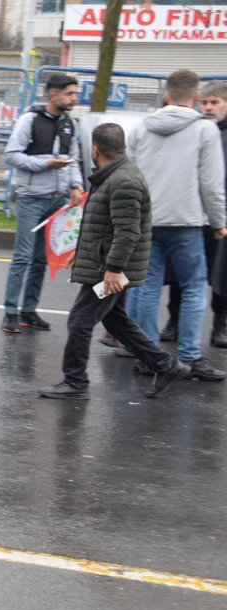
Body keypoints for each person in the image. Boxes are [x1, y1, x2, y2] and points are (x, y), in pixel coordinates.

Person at [38, 124, 192, 399]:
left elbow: (127, 231)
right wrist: (82, 250)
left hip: (107, 269)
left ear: (95, 150)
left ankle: (75, 382)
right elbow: (105, 225)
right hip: (105, 263)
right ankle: (166, 366)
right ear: (123, 147)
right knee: (116, 320)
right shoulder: (114, 177)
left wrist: (113, 270)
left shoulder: (123, 181)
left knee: (79, 322)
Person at [126, 68, 227, 381]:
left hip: (147, 221)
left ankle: (149, 355)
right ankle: (190, 357)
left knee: (146, 287)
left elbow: (128, 175)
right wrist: (219, 221)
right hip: (186, 221)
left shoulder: (141, 128)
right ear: (195, 97)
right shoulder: (205, 130)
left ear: (166, 94)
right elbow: (210, 182)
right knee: (194, 286)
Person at [1, 73, 85, 334]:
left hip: (58, 201)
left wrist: (76, 186)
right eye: (69, 94)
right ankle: (10, 313)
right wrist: (45, 164)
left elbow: (74, 160)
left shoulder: (71, 123)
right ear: (53, 95)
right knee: (23, 256)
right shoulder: (30, 120)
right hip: (31, 199)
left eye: (75, 93)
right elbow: (12, 155)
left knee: (41, 260)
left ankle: (29, 311)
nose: (74, 98)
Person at [204, 81, 227, 348]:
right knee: (181, 274)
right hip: (195, 213)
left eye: (214, 102)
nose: (208, 108)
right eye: (205, 103)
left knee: (221, 273)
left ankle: (220, 325)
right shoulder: (198, 131)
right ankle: (173, 321)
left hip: (222, 215)